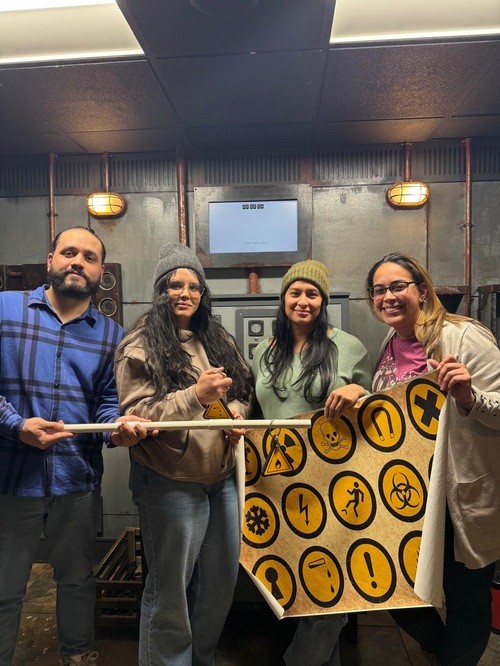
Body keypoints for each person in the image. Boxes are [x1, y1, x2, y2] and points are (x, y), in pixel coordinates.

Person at [0, 226, 149, 666]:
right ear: (50, 260)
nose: (78, 262)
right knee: (5, 588)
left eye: (89, 257)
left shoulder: (111, 335)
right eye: (69, 253)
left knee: (77, 581)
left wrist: (116, 430)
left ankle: (78, 657)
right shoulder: (6, 310)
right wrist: (15, 426)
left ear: (100, 272)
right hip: (11, 481)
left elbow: (106, 403)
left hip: (76, 482)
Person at [358, 252, 500, 666]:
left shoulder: (464, 337)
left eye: (397, 286)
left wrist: (469, 396)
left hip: (457, 497)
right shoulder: (389, 344)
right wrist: (363, 397)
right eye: (379, 290)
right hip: (406, 497)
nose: (388, 296)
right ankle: (441, 647)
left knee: (466, 597)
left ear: (422, 290)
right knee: (392, 586)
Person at [114, 242, 252, 666]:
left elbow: (242, 391)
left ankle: (200, 659)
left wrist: (236, 413)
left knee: (219, 584)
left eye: (194, 286)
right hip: (170, 481)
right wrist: (195, 395)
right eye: (175, 284)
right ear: (161, 291)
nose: (185, 293)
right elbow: (138, 415)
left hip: (220, 480)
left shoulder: (217, 338)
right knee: (169, 592)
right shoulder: (139, 345)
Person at [251, 259, 373, 666]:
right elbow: (254, 413)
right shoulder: (263, 352)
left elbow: (378, 410)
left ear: (323, 301)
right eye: (295, 292)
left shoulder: (350, 347)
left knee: (332, 585)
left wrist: (358, 391)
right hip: (277, 484)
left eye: (312, 294)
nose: (303, 301)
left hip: (333, 481)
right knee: (301, 582)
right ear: (283, 298)